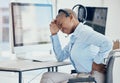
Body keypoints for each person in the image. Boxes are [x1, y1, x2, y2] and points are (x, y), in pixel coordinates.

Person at [40, 8, 113, 83]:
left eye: (61, 24)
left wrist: (95, 63)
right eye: (59, 27)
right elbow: (60, 57)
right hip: (81, 76)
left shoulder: (84, 32)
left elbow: (107, 43)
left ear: (71, 17)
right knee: (47, 76)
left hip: (92, 77)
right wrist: (54, 34)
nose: (61, 29)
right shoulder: (74, 38)